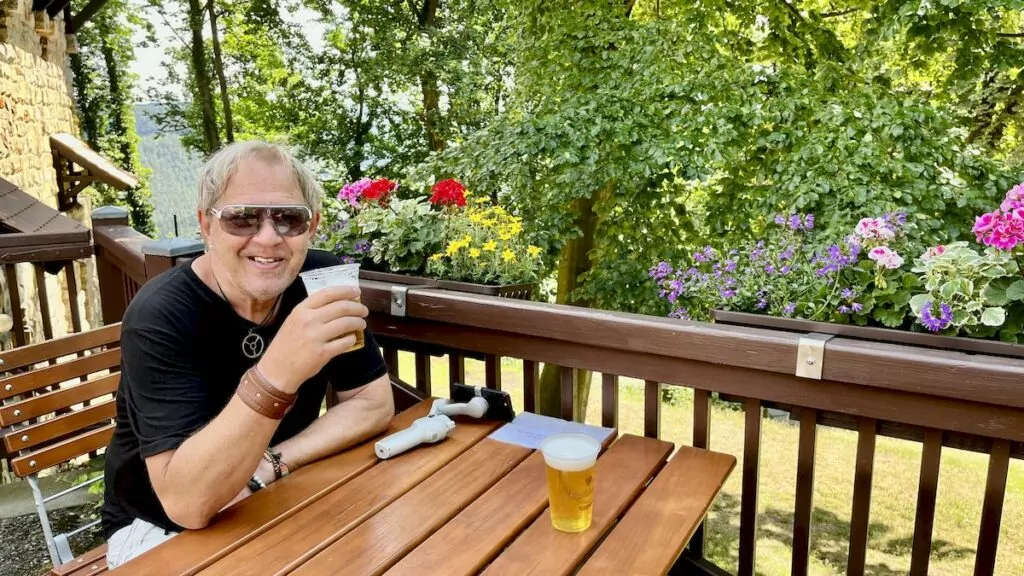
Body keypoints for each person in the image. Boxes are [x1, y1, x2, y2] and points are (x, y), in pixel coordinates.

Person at [100, 140, 394, 568]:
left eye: (289, 218)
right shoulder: (159, 315)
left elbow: (372, 402)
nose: (269, 237)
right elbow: (188, 504)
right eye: (242, 218)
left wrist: (271, 463)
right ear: (206, 226)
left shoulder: (319, 280)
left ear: (312, 227)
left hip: (275, 492)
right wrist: (275, 374)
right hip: (158, 529)